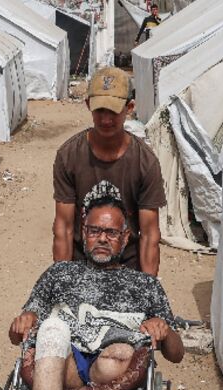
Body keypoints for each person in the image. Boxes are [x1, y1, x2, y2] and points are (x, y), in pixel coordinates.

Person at [5, 195, 184, 390]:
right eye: (94, 231)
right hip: (64, 366)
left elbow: (176, 354)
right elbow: (18, 337)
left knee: (122, 351)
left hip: (114, 372)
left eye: (111, 232)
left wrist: (164, 329)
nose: (102, 238)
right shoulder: (60, 273)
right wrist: (24, 320)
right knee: (51, 327)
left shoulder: (145, 285)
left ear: (125, 238)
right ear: (83, 233)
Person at [53, 66, 167, 276]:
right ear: (88, 105)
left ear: (129, 107)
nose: (106, 120)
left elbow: (149, 234)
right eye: (100, 111)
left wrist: (148, 287)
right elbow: (64, 227)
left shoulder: (145, 162)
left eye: (113, 111)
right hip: (81, 265)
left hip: (127, 268)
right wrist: (62, 280)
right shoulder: (69, 156)